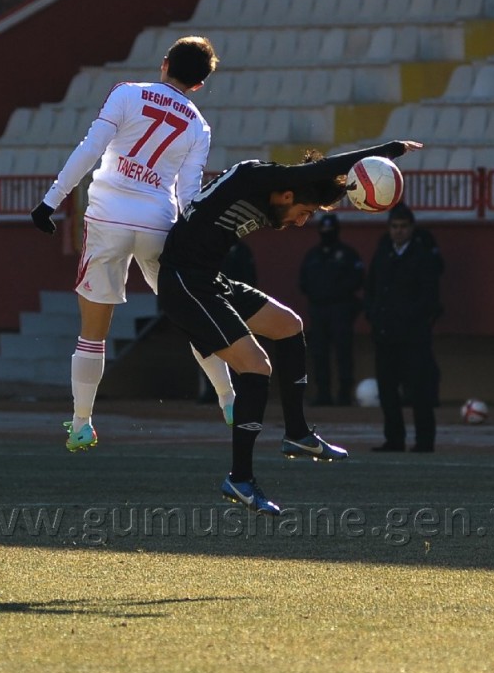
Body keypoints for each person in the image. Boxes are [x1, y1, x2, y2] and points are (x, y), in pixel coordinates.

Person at [157, 139, 423, 514]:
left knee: (288, 324)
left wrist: (350, 183)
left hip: (210, 280)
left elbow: (319, 179)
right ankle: (240, 478)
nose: (302, 221)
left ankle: (297, 433)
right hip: (183, 284)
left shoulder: (281, 194)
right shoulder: (259, 178)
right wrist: (387, 150)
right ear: (284, 196)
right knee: (257, 366)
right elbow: (313, 171)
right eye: (303, 213)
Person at [30, 35, 235, 451]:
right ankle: (229, 399)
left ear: (164, 64)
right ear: (198, 85)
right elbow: (191, 192)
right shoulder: (198, 125)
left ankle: (82, 422)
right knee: (192, 314)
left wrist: (50, 201)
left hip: (107, 216)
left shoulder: (127, 94)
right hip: (159, 221)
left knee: (93, 332)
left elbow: (91, 150)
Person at [364, 202, 442, 454]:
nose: (398, 231)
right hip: (386, 335)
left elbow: (429, 297)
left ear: (411, 228)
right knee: (388, 392)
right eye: (394, 226)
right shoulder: (383, 253)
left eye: (403, 227)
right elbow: (371, 289)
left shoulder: (423, 257)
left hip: (413, 336)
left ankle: (424, 441)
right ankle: (394, 439)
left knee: (419, 392)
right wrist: (374, 317)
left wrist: (412, 319)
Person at [299, 213, 364, 407]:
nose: (327, 234)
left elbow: (358, 278)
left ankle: (344, 393)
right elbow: (303, 282)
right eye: (324, 230)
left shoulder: (347, 254)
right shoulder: (313, 256)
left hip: (341, 310)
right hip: (318, 311)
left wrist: (337, 293)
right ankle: (323, 393)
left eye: (331, 230)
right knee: (319, 353)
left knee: (343, 352)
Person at [197, 240, 257, 407]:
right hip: (208, 304)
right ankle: (212, 390)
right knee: (208, 347)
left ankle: (240, 392)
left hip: (234, 307)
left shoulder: (241, 250)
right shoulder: (207, 246)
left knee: (237, 348)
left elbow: (250, 280)